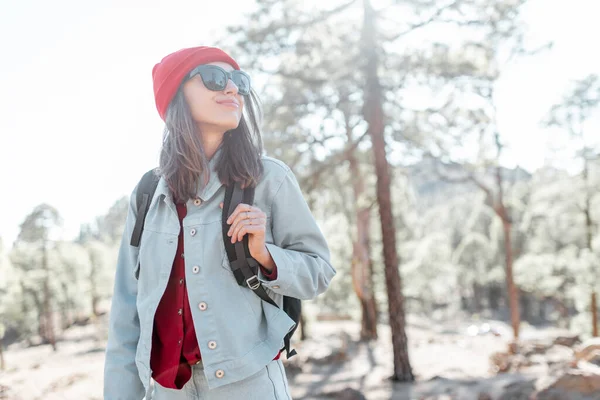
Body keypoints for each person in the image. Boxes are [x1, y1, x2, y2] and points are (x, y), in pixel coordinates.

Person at [103, 46, 336, 400]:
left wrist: (267, 256)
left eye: (239, 82)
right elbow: (126, 316)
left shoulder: (269, 178)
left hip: (250, 387)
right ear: (176, 95)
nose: (232, 89)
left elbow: (320, 271)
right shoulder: (147, 194)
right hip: (167, 392)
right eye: (215, 79)